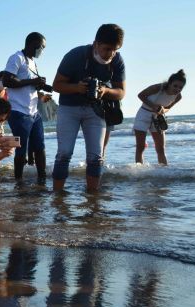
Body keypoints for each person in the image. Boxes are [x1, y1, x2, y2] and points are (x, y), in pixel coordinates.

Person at [52, 24, 126, 192]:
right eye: (107, 49)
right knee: (64, 153)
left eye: (115, 50)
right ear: (96, 44)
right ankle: (57, 195)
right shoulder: (76, 55)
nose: (111, 54)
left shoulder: (117, 60)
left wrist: (105, 91)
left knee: (95, 156)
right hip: (69, 108)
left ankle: (93, 197)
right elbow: (56, 85)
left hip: (96, 110)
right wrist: (77, 88)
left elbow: (121, 92)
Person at [3, 32, 49, 184]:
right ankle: (19, 182)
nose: (42, 50)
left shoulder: (32, 62)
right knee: (21, 150)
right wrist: (31, 81)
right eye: (41, 47)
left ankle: (42, 180)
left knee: (40, 147)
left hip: (33, 112)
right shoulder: (17, 58)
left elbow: (28, 84)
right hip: (18, 111)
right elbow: (7, 80)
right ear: (32, 44)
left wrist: (41, 86)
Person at [133, 70, 185, 165]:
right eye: (175, 86)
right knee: (140, 146)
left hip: (158, 118)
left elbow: (167, 108)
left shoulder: (178, 96)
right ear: (169, 83)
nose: (177, 89)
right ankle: (139, 172)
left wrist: (162, 110)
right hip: (143, 114)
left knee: (160, 148)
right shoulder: (158, 88)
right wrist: (153, 106)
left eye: (180, 87)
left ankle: (164, 173)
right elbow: (140, 95)